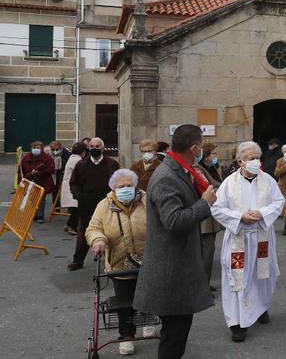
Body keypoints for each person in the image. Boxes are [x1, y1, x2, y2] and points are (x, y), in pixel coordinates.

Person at [134, 125, 218, 359]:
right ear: (194, 148)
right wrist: (204, 204)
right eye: (200, 147)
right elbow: (173, 221)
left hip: (179, 267)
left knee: (176, 336)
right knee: (173, 339)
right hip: (171, 272)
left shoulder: (179, 170)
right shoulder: (166, 178)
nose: (201, 151)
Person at [211, 141, 285, 342]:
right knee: (237, 280)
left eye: (257, 158)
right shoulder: (229, 183)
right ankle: (237, 323)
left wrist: (261, 213)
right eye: (251, 158)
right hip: (239, 238)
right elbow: (216, 208)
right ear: (241, 161)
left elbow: (279, 202)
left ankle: (260, 307)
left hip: (261, 236)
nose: (256, 162)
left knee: (262, 276)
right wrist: (239, 217)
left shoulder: (267, 180)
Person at [85, 168, 149, 356]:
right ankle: (126, 336)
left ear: (136, 186)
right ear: (114, 188)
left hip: (147, 261)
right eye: (122, 186)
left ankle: (146, 322)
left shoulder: (147, 202)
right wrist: (98, 240)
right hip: (119, 263)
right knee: (124, 302)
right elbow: (93, 228)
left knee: (147, 295)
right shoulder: (104, 205)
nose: (126, 189)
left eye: (129, 185)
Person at [68, 137, 120, 271]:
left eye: (97, 146)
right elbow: (73, 183)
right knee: (83, 232)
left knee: (111, 232)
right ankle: (77, 260)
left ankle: (113, 261)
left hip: (107, 204)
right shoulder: (81, 164)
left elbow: (118, 182)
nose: (94, 148)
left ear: (103, 148)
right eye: (91, 146)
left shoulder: (111, 164)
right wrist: (78, 195)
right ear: (88, 148)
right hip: (86, 205)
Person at [193, 142, 225, 291]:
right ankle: (202, 285)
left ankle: (204, 282)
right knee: (206, 251)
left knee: (209, 250)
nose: (215, 157)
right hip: (205, 217)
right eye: (213, 154)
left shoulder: (212, 168)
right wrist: (224, 189)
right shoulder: (198, 169)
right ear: (205, 156)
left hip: (212, 214)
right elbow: (208, 188)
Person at [18, 140, 55, 223]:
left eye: (38, 148)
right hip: (31, 181)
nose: (35, 149)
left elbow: (50, 169)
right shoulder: (26, 158)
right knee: (32, 199)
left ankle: (40, 216)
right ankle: (35, 214)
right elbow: (22, 171)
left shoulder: (47, 158)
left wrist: (40, 173)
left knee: (42, 198)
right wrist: (30, 174)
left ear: (41, 149)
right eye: (34, 147)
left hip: (43, 181)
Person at [60, 142, 87, 234]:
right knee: (77, 208)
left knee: (76, 208)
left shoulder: (73, 158)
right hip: (72, 187)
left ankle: (69, 225)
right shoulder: (77, 160)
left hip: (71, 186)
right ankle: (72, 226)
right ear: (83, 152)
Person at [49, 140, 72, 210]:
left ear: (60, 147)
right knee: (54, 190)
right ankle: (56, 207)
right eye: (52, 149)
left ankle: (70, 207)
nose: (55, 151)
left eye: (57, 149)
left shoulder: (67, 154)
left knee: (67, 190)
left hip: (64, 173)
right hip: (54, 174)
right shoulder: (49, 154)